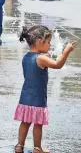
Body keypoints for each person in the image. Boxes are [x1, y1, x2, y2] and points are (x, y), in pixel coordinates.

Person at [14, 25, 76, 153]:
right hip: (38, 98)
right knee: (38, 124)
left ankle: (19, 146)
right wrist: (66, 51)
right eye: (48, 42)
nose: (49, 45)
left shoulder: (26, 57)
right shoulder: (41, 58)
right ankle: (37, 148)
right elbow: (58, 65)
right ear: (39, 41)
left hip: (25, 97)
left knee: (25, 122)